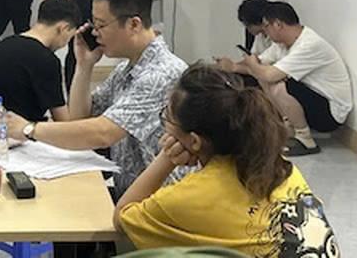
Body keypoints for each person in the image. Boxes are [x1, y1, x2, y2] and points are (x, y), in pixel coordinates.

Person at [114, 64, 338, 256]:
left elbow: (122, 219)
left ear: (194, 141)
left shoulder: (194, 195)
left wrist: (166, 158)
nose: (165, 125)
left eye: (168, 118)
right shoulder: (281, 168)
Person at [7, 0, 187, 194]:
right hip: (130, 193)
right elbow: (80, 118)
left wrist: (29, 129)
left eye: (101, 25)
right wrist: (84, 66)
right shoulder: (126, 69)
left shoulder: (161, 74)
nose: (94, 33)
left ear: (134, 24)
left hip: (161, 202)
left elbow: (103, 133)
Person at [215, 2, 353, 156]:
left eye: (266, 26)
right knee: (264, 78)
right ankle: (289, 128)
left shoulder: (309, 44)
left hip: (331, 113)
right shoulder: (282, 44)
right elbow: (259, 65)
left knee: (279, 85)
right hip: (315, 99)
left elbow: (268, 74)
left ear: (278, 24)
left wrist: (252, 64)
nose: (265, 32)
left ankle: (306, 140)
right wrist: (233, 67)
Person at [0, 0, 79, 122]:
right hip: (20, 128)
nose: (64, 45)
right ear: (63, 28)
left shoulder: (4, 44)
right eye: (69, 38)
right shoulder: (46, 59)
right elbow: (63, 121)